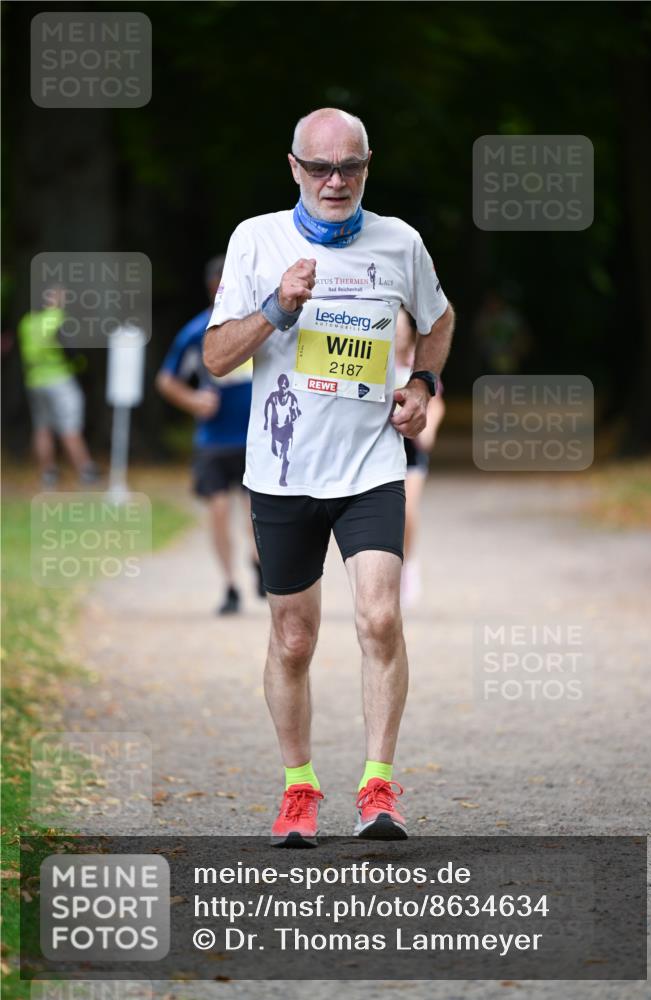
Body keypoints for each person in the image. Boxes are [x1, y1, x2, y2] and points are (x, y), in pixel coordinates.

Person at [204, 108, 455, 846]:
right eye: (319, 167)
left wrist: (423, 384)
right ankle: (299, 787)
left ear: (368, 166)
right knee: (293, 637)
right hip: (282, 473)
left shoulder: (400, 241)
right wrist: (277, 306)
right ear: (294, 168)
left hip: (371, 466)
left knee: (379, 618)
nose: (335, 180)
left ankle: (377, 786)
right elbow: (217, 358)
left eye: (350, 166)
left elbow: (439, 320)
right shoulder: (256, 240)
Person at [156, 255, 265, 615]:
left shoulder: (258, 326)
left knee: (255, 513)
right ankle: (230, 585)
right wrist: (193, 401)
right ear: (210, 288)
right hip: (214, 440)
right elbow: (166, 380)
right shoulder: (195, 333)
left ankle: (258, 561)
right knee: (218, 511)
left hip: (254, 437)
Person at [18, 286, 98, 488]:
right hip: (59, 378)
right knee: (70, 426)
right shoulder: (58, 319)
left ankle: (48, 474)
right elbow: (72, 350)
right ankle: (86, 471)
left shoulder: (27, 322)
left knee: (42, 428)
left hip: (34, 380)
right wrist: (81, 366)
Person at [394, 307, 446, 608]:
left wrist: (430, 431)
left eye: (403, 327)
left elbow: (437, 403)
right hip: (383, 448)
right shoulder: (376, 361)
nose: (398, 332)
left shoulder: (419, 362)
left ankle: (409, 565)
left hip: (412, 450)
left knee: (407, 510)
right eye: (394, 326)